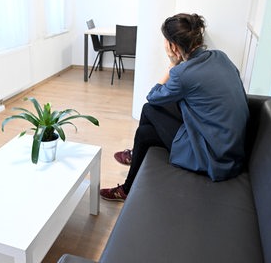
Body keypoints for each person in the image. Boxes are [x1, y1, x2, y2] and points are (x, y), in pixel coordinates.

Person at [100, 13, 249, 202]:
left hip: (213, 157)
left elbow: (152, 96)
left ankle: (128, 186)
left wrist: (171, 64)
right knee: (145, 133)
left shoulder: (182, 74)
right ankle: (133, 162)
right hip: (229, 148)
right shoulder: (220, 56)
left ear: (173, 46)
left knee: (148, 112)